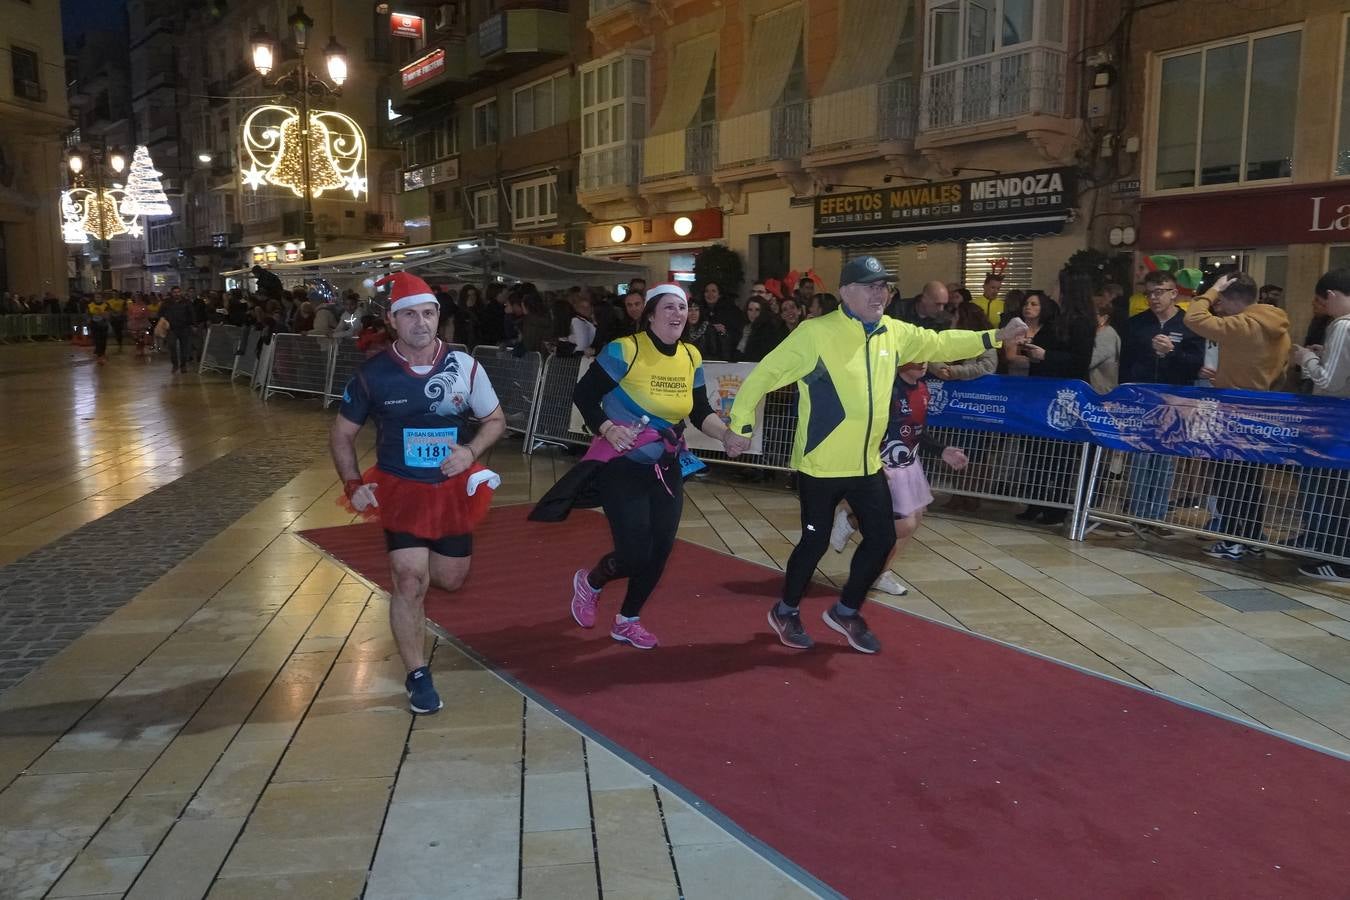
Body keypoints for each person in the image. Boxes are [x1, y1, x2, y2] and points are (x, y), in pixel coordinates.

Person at [727, 256, 1026, 654]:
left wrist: (994, 336)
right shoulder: (815, 333)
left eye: (883, 286)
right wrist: (740, 425)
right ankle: (786, 610)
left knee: (883, 536)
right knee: (814, 543)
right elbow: (763, 375)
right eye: (870, 286)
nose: (879, 293)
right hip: (820, 464)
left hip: (868, 463)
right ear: (846, 291)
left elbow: (939, 342)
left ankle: (847, 610)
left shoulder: (893, 332)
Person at [331, 271, 506, 714]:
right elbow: (341, 436)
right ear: (393, 320)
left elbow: (496, 421)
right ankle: (417, 674)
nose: (421, 323)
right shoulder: (373, 374)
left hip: (452, 490)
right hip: (400, 487)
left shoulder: (466, 367)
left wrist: (470, 452)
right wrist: (353, 485)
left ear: (437, 317)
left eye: (428, 313)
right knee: (409, 579)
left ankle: (428, 589)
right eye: (410, 315)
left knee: (449, 578)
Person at [549, 284, 744, 649]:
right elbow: (585, 395)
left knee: (661, 549)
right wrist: (608, 428)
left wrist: (726, 436)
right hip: (622, 463)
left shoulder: (691, 356)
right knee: (635, 551)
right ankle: (591, 582)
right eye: (669, 307)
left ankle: (628, 619)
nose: (677, 314)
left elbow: (700, 412)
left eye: (683, 308)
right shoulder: (626, 349)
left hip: (667, 465)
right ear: (650, 314)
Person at [832, 362, 970, 595]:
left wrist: (942, 450)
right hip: (884, 463)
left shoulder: (923, 389)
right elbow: (866, 427)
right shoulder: (886, 389)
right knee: (902, 525)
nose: (924, 364)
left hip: (908, 463)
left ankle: (881, 573)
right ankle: (852, 518)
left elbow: (916, 430)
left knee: (916, 517)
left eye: (926, 358)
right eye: (917, 357)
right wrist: (872, 460)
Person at [1184, 272, 1291, 560]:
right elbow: (1282, 371)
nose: (1218, 306)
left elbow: (1193, 319)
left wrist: (1211, 290)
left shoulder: (1242, 324)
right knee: (1250, 478)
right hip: (1261, 405)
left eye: (1221, 301)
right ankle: (1254, 537)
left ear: (1231, 299)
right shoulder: (1278, 325)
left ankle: (1233, 538)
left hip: (1233, 407)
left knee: (1229, 478)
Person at [1118, 269, 1203, 534]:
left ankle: (1157, 517)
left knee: (1165, 459)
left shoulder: (1189, 324)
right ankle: (1138, 515)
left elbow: (1196, 364)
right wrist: (1124, 393)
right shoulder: (1136, 324)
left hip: (1175, 398)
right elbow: (1127, 362)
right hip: (1142, 397)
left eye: (1159, 292)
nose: (1153, 298)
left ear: (1174, 293)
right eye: (1149, 293)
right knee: (1139, 458)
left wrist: (1172, 352)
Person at [1289, 269, 1350, 583]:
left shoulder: (1342, 325)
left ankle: (1333, 559)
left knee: (1328, 493)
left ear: (1331, 296)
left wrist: (1305, 359)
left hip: (1336, 426)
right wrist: (1325, 356)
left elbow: (1329, 381)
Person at [735, 297, 785, 362]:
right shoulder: (745, 328)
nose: (753, 313)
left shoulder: (769, 330)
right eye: (750, 309)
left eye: (757, 310)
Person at [704, 281, 745, 359]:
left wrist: (725, 332)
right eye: (707, 291)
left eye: (713, 291)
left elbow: (738, 334)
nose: (710, 294)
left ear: (719, 294)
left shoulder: (731, 311)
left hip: (725, 357)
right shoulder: (701, 310)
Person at [159, 287, 196, 373]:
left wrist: (194, 325)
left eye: (178, 292)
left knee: (184, 347)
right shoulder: (167, 302)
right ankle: (175, 364)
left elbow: (192, 313)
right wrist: (164, 320)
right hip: (172, 328)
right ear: (172, 293)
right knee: (172, 346)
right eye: (175, 292)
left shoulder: (186, 302)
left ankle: (183, 365)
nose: (177, 294)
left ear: (181, 292)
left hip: (184, 327)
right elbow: (160, 313)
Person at [1089, 295, 1121, 395]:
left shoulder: (1106, 335)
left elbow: (1089, 362)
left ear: (1105, 317)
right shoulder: (1097, 333)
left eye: (1093, 314)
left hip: (1102, 393)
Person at [85, 291, 111, 365]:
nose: (98, 298)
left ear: (102, 298)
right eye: (96, 297)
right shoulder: (90, 305)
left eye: (99, 297)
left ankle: (102, 353)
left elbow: (108, 315)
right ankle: (100, 355)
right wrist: (89, 319)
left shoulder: (106, 305)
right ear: (94, 298)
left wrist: (102, 314)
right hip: (94, 325)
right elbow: (87, 315)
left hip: (103, 325)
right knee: (97, 340)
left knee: (103, 340)